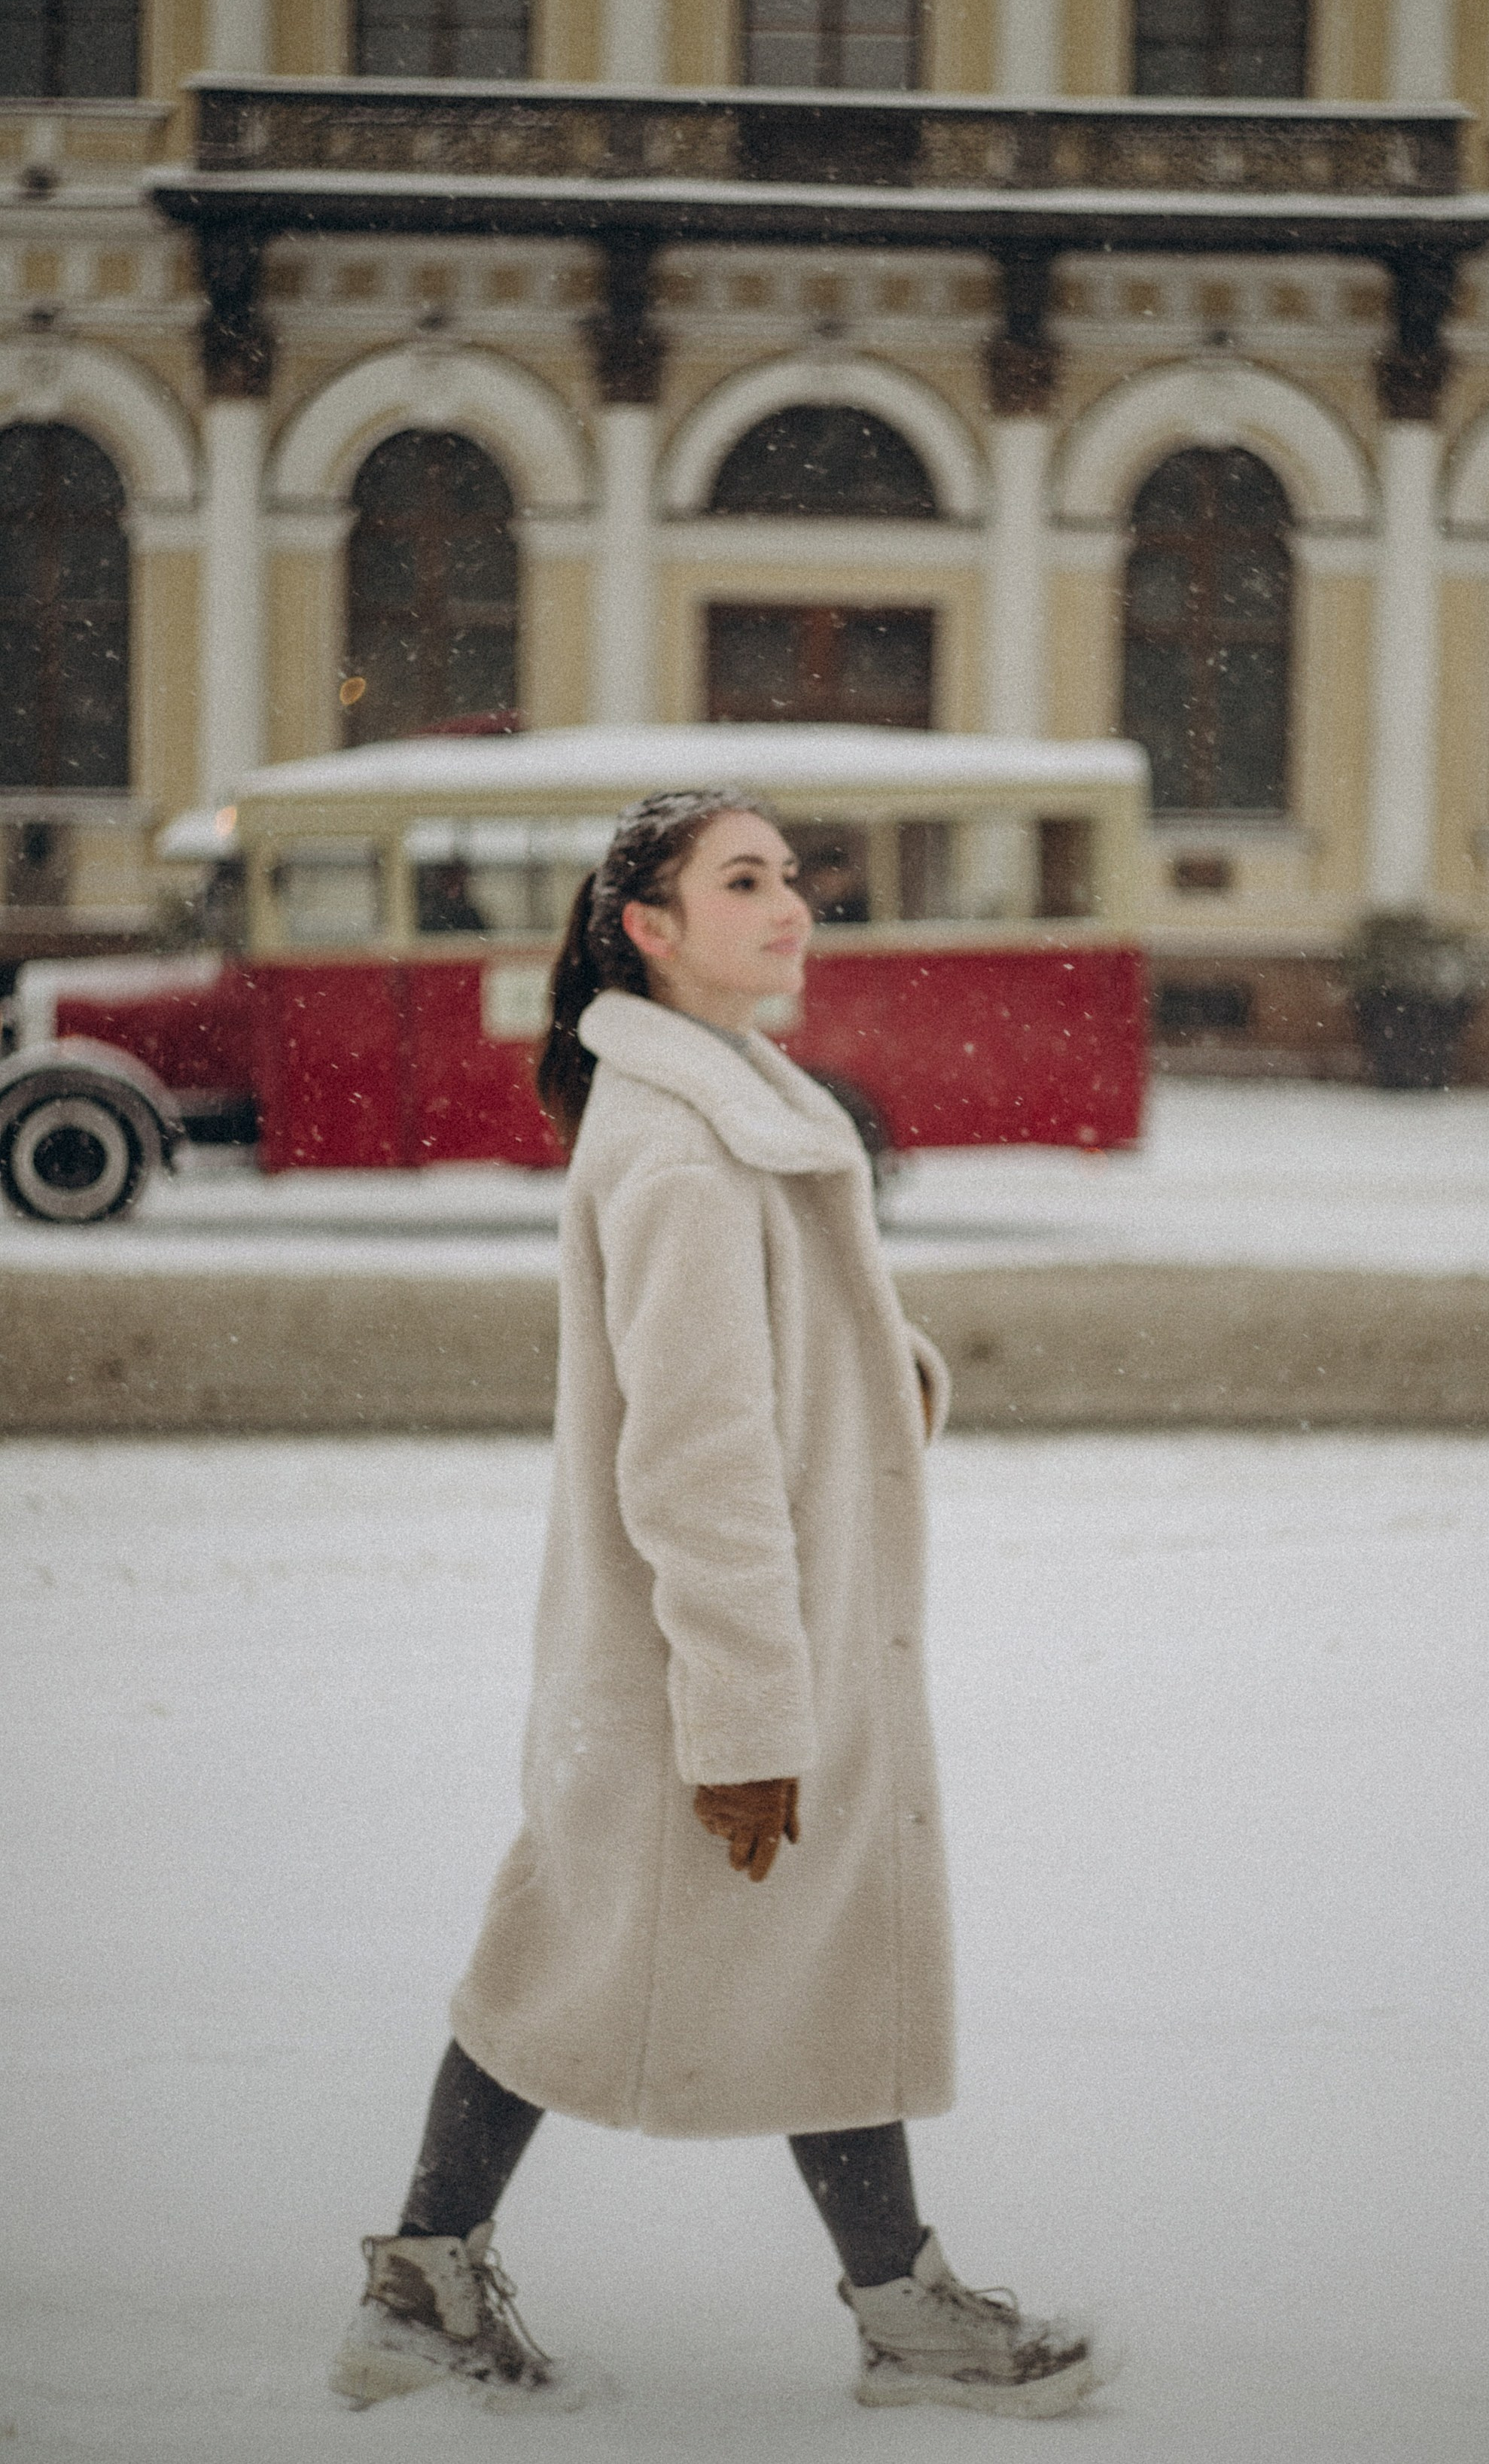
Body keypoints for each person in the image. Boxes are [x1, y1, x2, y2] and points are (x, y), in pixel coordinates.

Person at [329, 787, 1095, 2422]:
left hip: (749, 1650)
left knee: (715, 1956)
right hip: (719, 1659)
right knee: (591, 1962)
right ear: (649, 931)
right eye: (745, 879)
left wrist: (878, 1388)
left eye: (797, 876)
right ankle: (445, 2289)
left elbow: (765, 1372)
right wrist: (748, 1719)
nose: (793, 904)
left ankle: (453, 2280)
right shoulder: (681, 1139)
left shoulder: (737, 1101)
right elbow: (692, 1456)